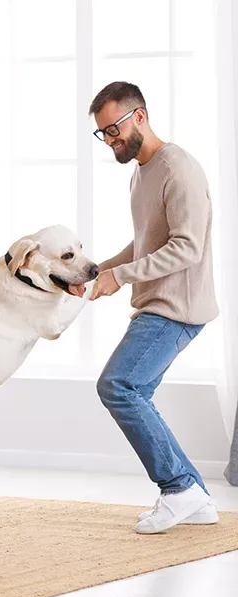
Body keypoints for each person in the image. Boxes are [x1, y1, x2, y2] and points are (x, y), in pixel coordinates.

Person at [90, 82, 220, 534]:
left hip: (177, 307)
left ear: (139, 116)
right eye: (102, 134)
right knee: (130, 389)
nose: (110, 140)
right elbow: (145, 241)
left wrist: (120, 277)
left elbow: (186, 247)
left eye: (114, 129)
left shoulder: (178, 168)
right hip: (158, 304)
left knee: (119, 386)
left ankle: (180, 488)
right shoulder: (140, 172)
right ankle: (195, 498)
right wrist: (97, 271)